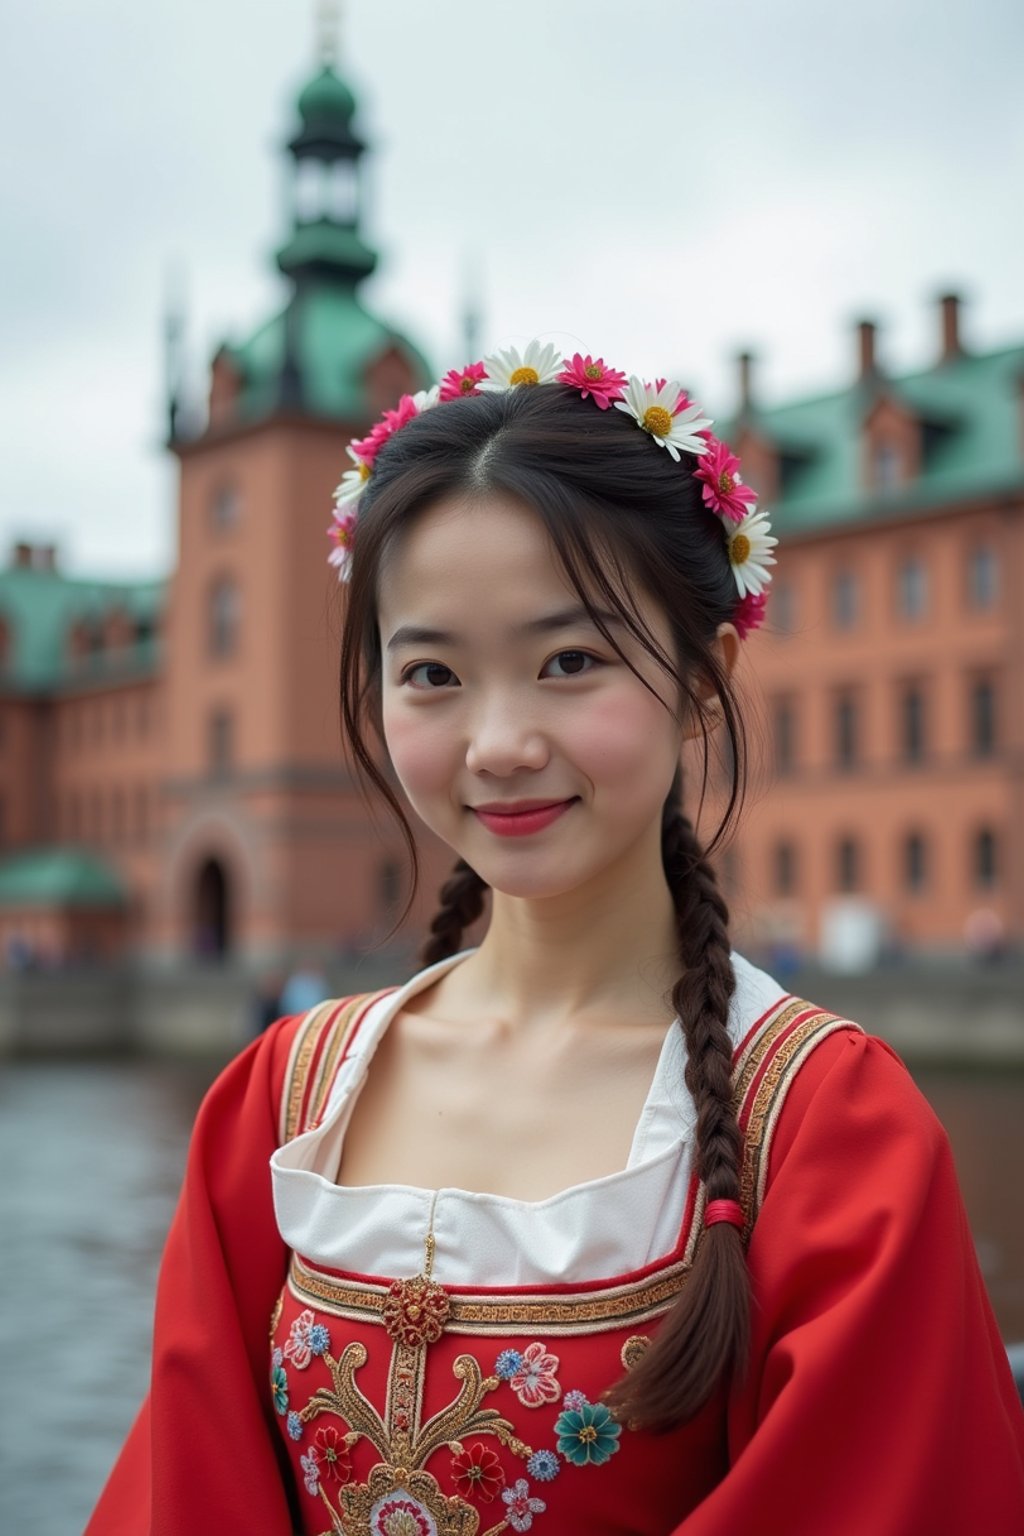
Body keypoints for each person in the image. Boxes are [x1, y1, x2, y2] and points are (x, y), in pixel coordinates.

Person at [87, 342, 1024, 1534]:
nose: (499, 743)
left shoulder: (830, 1131)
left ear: (702, 678)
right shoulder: (279, 1098)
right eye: (431, 671)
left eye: (569, 661)